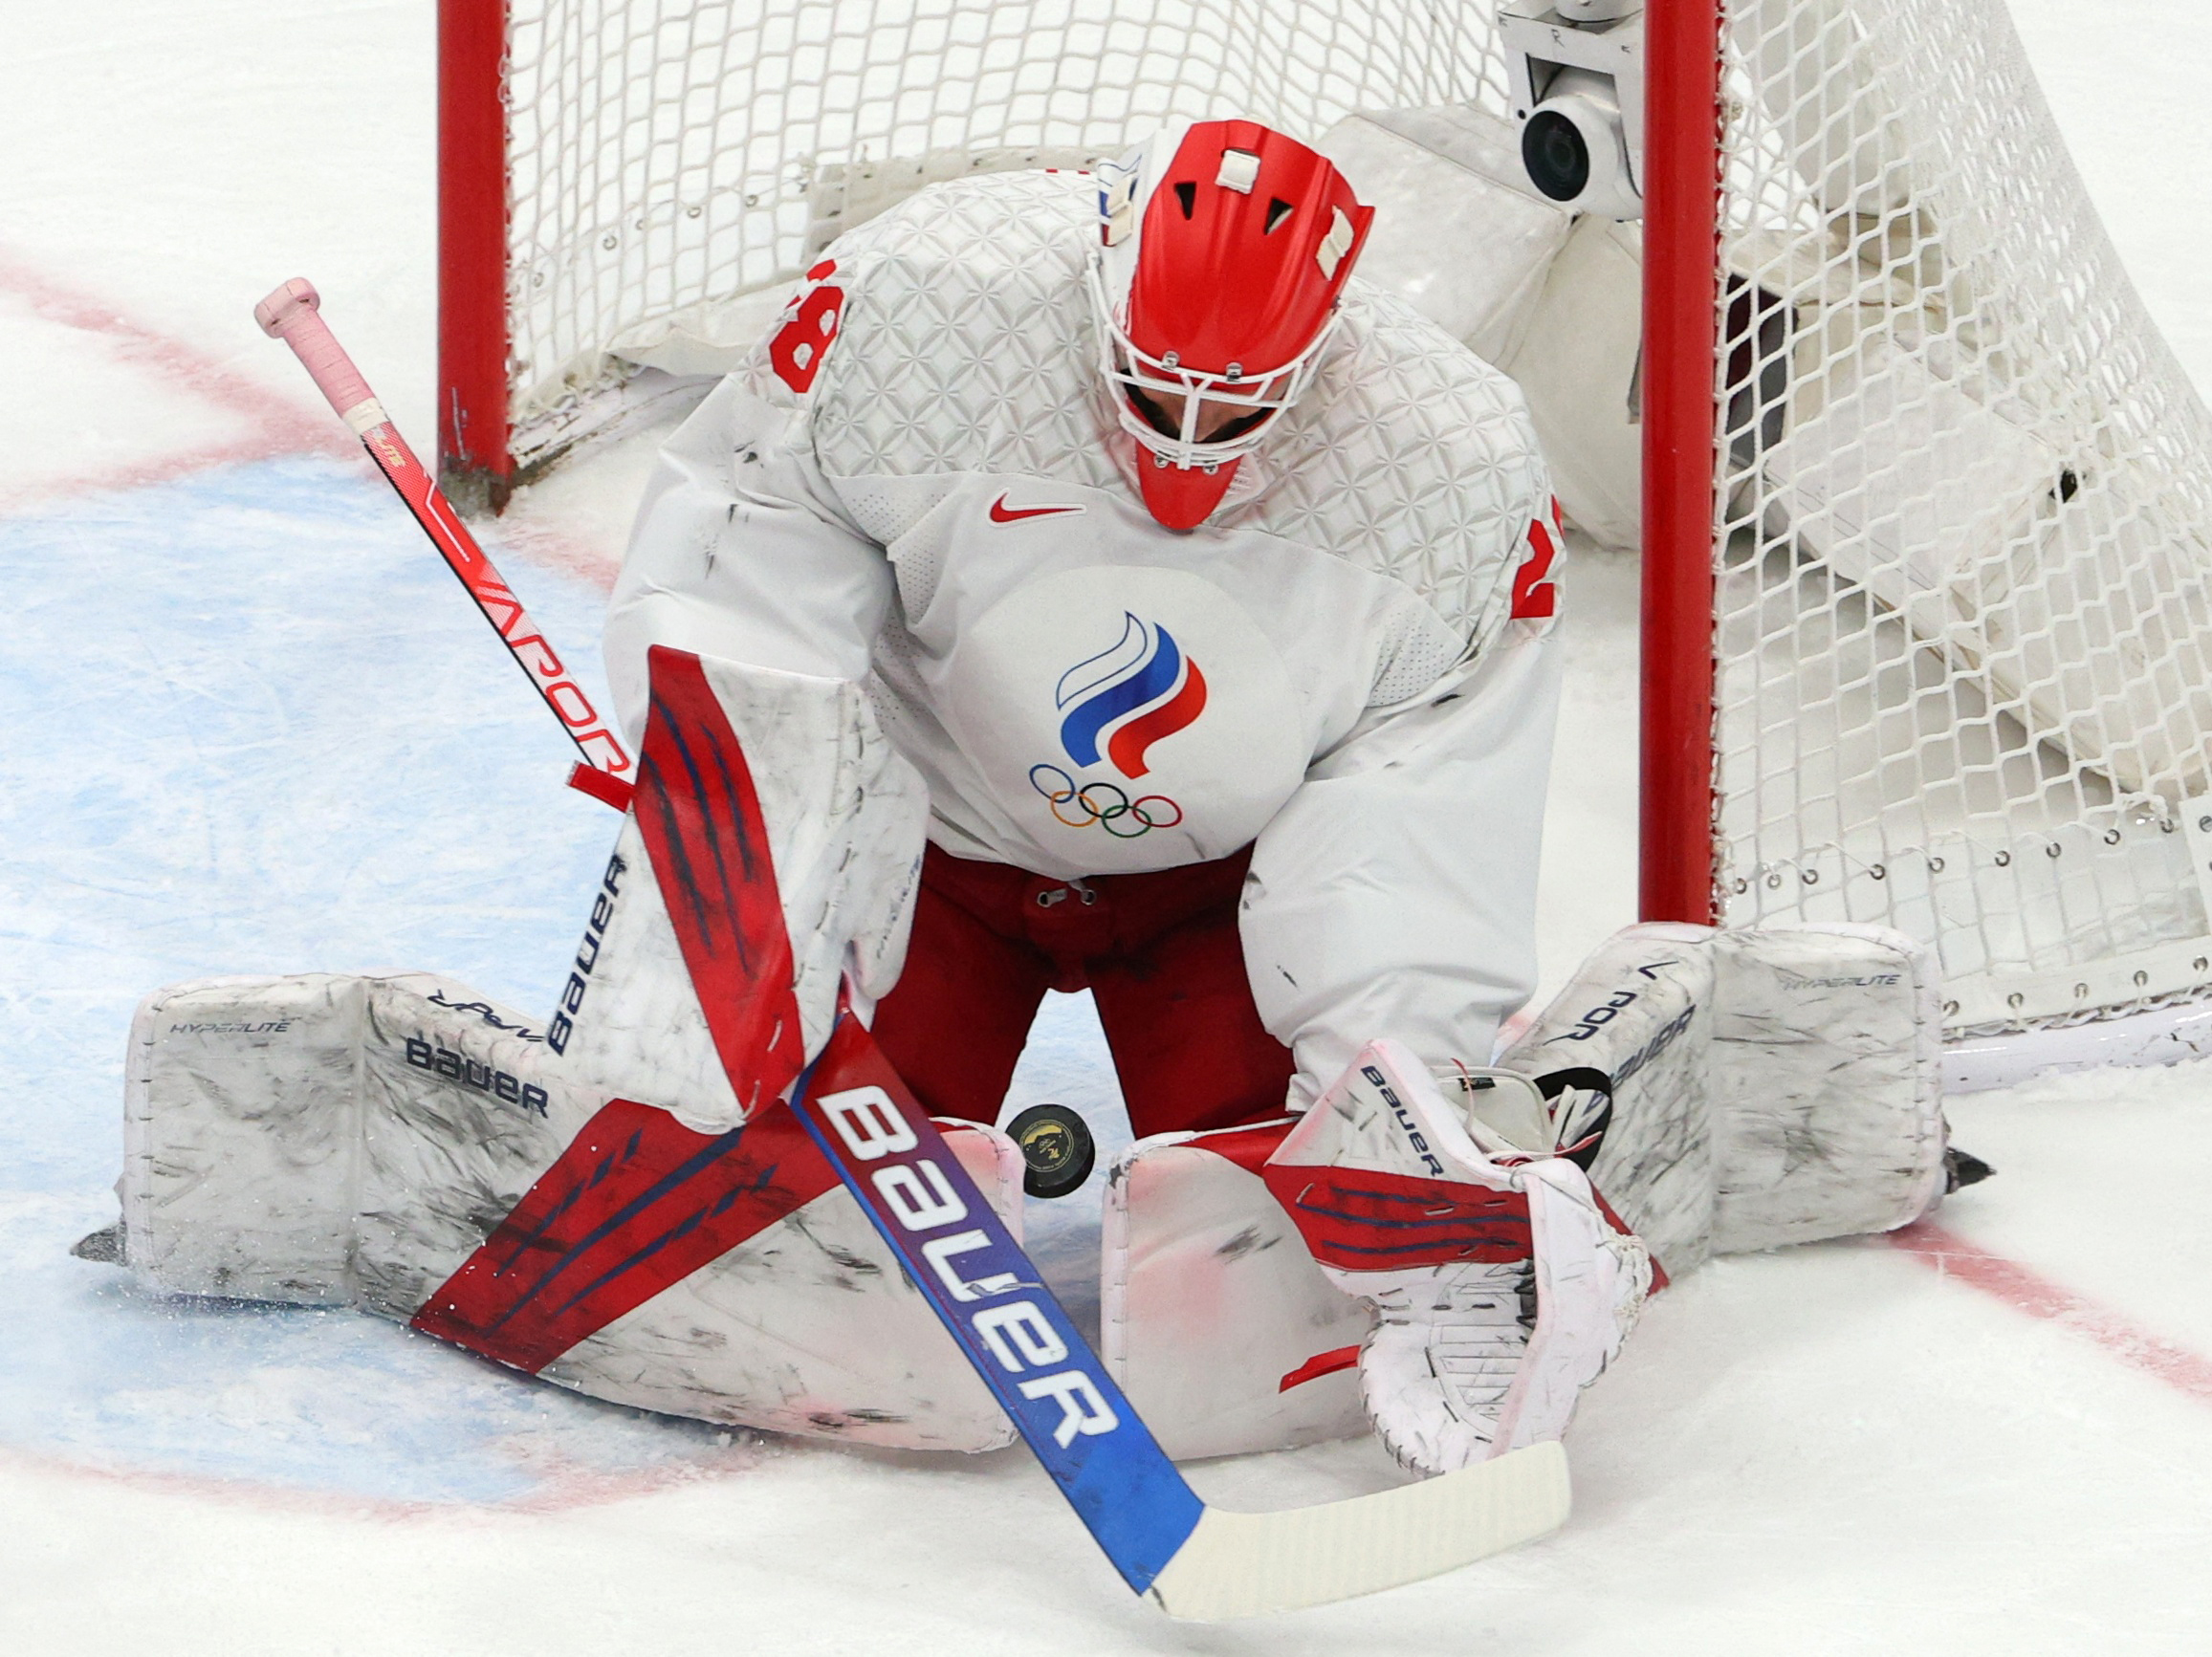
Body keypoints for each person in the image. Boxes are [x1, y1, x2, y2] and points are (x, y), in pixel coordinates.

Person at [598, 116, 1640, 1470]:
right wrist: (758, 838)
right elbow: (749, 562)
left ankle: (1455, 1204)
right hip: (940, 852)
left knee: (1255, 1230)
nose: (1188, 445)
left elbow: (1412, 811)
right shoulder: (916, 305)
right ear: (1097, 286)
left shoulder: (1450, 469)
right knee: (818, 1204)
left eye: (1236, 411)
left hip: (1215, 895)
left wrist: (1392, 1102)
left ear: (1330, 351)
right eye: (1154, 394)